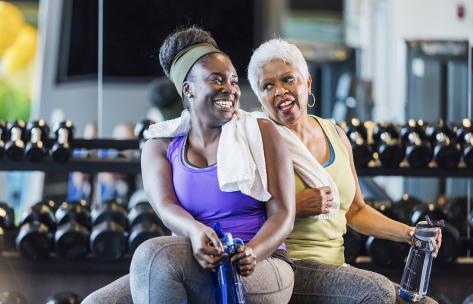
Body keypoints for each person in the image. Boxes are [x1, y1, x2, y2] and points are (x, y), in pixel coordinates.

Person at [82, 27, 295, 304]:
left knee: (154, 256)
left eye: (232, 81)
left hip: (262, 263)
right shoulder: (159, 147)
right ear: (188, 89)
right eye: (217, 80)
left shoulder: (262, 132)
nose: (229, 89)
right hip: (191, 258)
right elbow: (165, 206)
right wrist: (195, 231)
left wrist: (253, 251)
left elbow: (283, 214)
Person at [247, 38, 442, 304]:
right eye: (267, 86)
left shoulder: (335, 133)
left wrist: (408, 233)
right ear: (260, 98)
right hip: (288, 266)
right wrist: (294, 205)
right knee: (377, 291)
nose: (280, 91)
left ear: (307, 82)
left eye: (288, 80)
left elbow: (356, 211)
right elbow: (243, 214)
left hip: (336, 268)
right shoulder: (257, 141)